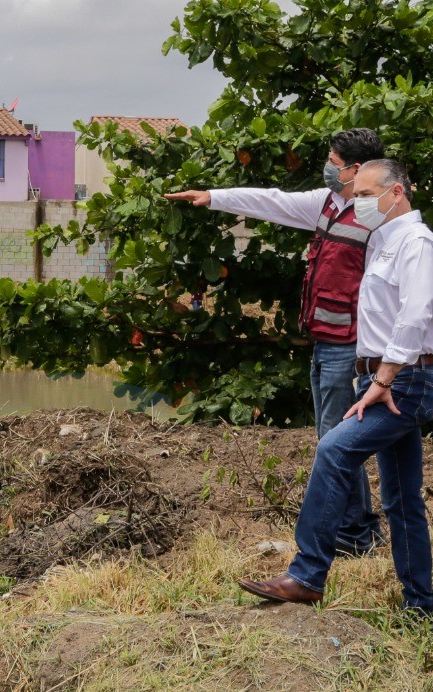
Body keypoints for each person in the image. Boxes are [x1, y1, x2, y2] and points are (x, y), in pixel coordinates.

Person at [238, 159, 433, 617]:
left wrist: (382, 379)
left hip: (403, 381)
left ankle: (307, 575)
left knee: (334, 450)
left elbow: (414, 318)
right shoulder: (386, 242)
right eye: (354, 196)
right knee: (401, 499)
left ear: (396, 193)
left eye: (365, 195)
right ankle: (421, 606)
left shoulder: (416, 244)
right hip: (386, 377)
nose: (357, 204)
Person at [164, 129, 386, 556]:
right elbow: (272, 201)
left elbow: (387, 288)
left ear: (356, 170)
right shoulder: (328, 204)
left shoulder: (377, 218)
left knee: (336, 439)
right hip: (325, 340)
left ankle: (356, 534)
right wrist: (213, 196)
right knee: (335, 437)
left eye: (333, 161)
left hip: (351, 345)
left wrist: (376, 354)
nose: (327, 166)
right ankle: (359, 530)